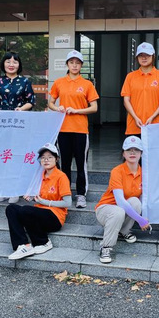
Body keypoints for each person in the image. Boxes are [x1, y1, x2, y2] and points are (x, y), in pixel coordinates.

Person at [48, 50, 99, 209]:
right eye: (72, 62)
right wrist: (57, 108)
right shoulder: (59, 82)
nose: (74, 65)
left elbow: (94, 107)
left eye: (77, 63)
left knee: (81, 163)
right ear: (67, 64)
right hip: (63, 129)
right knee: (64, 164)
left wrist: (77, 111)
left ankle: (81, 194)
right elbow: (50, 103)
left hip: (80, 130)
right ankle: (66, 193)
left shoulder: (87, 84)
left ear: (81, 65)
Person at [5, 143, 72, 260]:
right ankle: (23, 245)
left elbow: (67, 203)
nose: (46, 160)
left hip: (55, 217)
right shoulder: (39, 176)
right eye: (43, 157)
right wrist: (31, 197)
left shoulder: (61, 177)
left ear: (56, 159)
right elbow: (37, 197)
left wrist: (46, 202)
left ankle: (43, 242)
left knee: (26, 210)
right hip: (39, 213)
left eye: (50, 157)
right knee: (11, 208)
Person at [0, 51, 36, 203]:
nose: (11, 64)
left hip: (19, 125)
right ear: (3, 64)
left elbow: (31, 101)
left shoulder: (25, 81)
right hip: (1, 125)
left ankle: (16, 190)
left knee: (16, 155)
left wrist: (21, 109)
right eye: (8, 61)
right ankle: (2, 189)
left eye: (15, 61)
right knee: (2, 156)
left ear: (19, 65)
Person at [95, 136, 151, 264]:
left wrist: (145, 216)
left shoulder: (144, 173)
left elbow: (143, 198)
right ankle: (106, 247)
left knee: (136, 202)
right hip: (106, 210)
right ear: (123, 153)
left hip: (121, 213)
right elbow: (120, 202)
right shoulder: (117, 171)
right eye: (129, 150)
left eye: (136, 150)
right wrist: (140, 220)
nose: (132, 152)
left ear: (141, 153)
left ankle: (123, 230)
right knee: (119, 211)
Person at [121, 42, 159, 136]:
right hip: (134, 126)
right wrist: (135, 118)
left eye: (147, 55)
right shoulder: (130, 76)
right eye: (141, 55)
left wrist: (152, 117)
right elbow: (126, 100)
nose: (144, 58)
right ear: (137, 58)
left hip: (154, 125)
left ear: (153, 56)